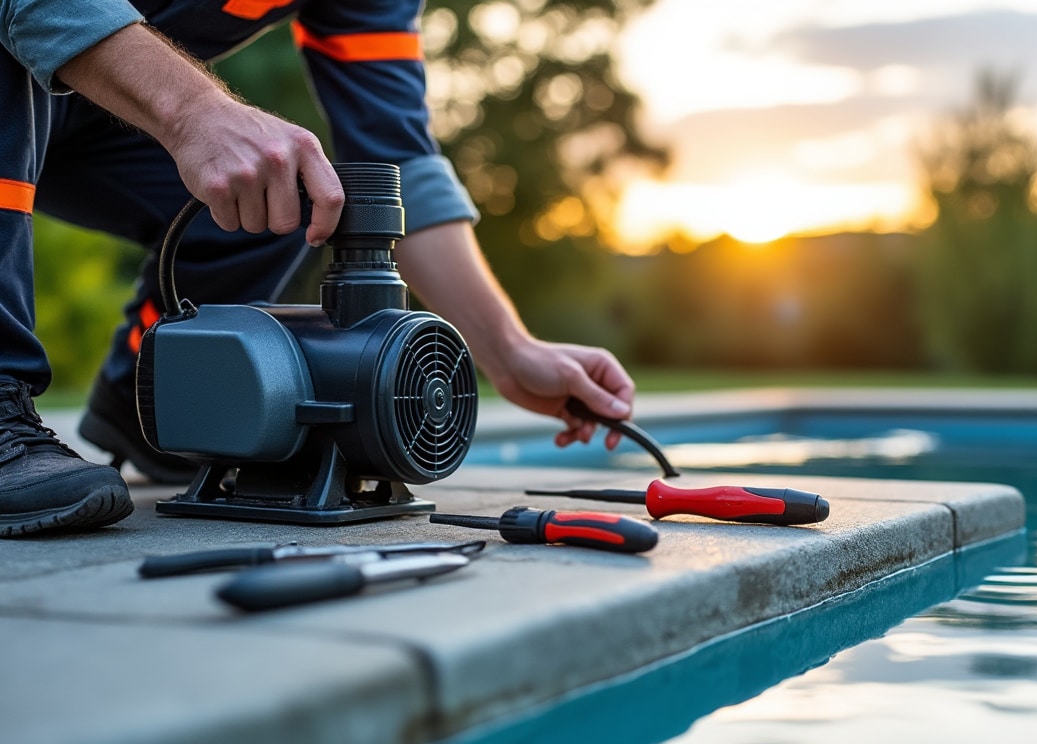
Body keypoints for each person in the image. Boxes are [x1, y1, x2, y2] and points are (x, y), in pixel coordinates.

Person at [0, 1, 636, 537]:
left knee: (280, 195)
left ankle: (163, 407)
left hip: (89, 112)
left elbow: (397, 162)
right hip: (19, 73)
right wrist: (195, 111)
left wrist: (508, 351)